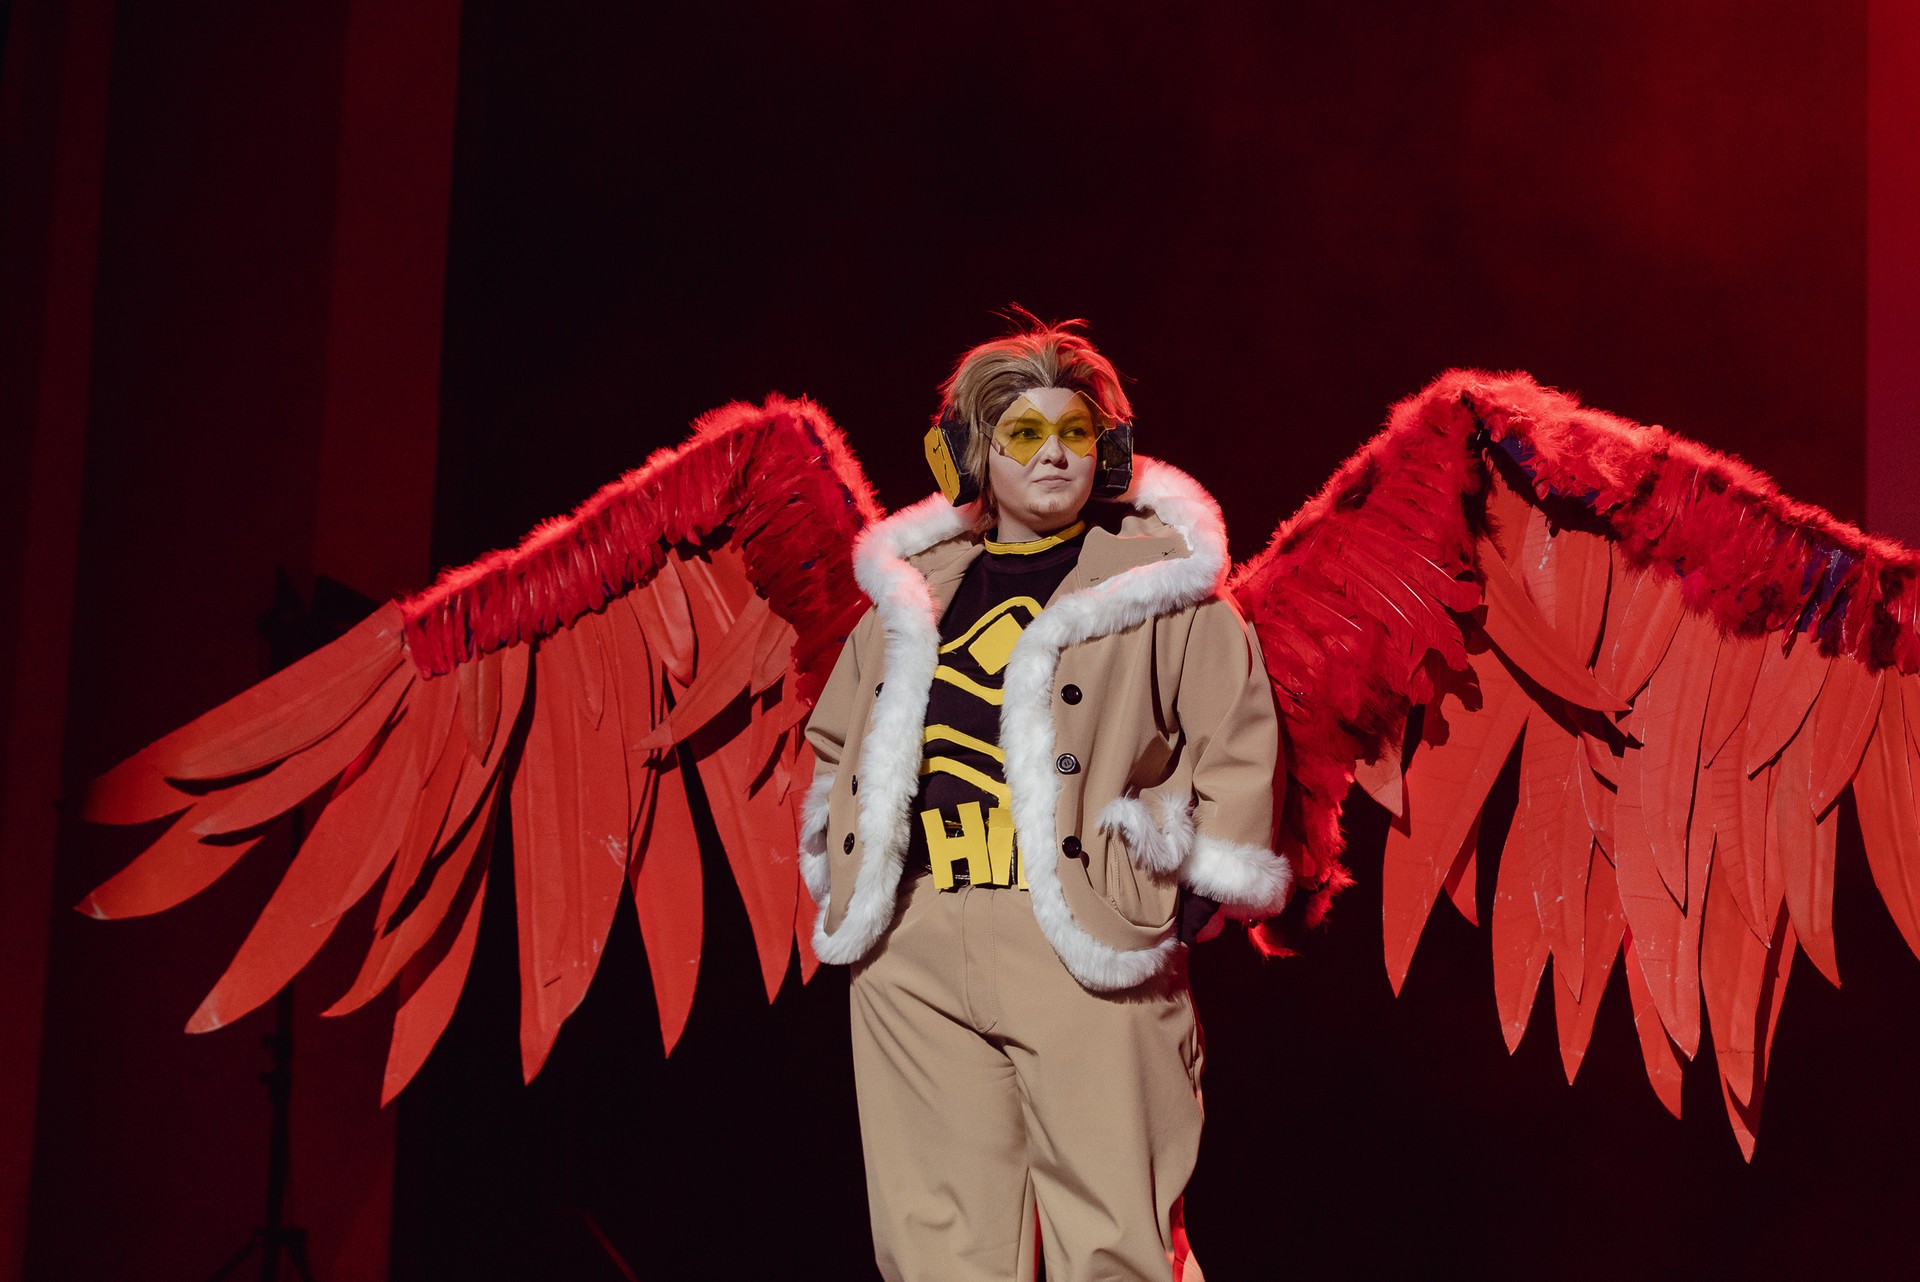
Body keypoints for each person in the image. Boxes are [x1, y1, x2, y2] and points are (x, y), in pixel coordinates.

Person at [798, 319, 1291, 1281]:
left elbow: (1236, 730)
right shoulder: (912, 593)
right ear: (974, 453)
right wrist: (838, 856)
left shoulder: (1161, 586)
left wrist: (1201, 881)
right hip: (914, 935)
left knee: (1116, 1238)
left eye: (1075, 432)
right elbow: (837, 738)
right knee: (936, 1247)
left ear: (1109, 450)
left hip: (1082, 930)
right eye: (1024, 433)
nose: (1054, 453)